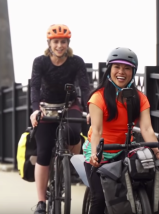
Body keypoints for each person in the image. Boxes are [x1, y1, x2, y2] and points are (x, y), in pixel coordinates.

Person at [83, 47, 159, 214]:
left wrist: (156, 149)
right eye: (117, 67)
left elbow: (146, 129)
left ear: (133, 72)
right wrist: (96, 153)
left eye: (127, 68)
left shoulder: (140, 98)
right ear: (109, 69)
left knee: (143, 185)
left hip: (125, 149)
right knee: (100, 198)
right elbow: (96, 131)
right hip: (100, 151)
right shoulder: (98, 97)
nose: (121, 72)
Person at [29, 24, 91, 214]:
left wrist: (89, 109)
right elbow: (35, 87)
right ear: (49, 43)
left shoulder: (76, 62)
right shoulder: (40, 62)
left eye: (63, 42)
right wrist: (34, 110)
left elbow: (85, 87)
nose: (59, 46)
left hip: (68, 106)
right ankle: (41, 202)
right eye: (56, 42)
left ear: (68, 43)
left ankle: (65, 165)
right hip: (46, 107)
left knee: (74, 135)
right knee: (44, 152)